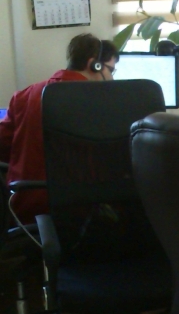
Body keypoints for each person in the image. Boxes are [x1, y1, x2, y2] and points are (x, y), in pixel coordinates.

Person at [0, 33, 117, 224]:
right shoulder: (99, 102)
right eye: (111, 70)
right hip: (80, 210)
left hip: (21, 205)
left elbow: (3, 148)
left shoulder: (24, 95)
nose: (112, 78)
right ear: (93, 64)